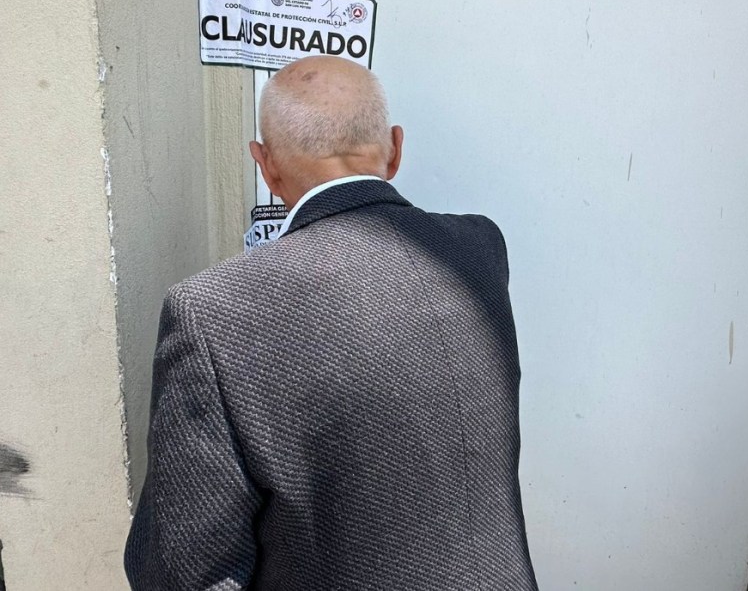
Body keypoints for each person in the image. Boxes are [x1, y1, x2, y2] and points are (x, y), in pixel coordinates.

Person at [124, 55, 538, 590]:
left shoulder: (211, 310)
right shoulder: (478, 248)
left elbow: (183, 571)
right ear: (395, 149)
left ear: (266, 167)